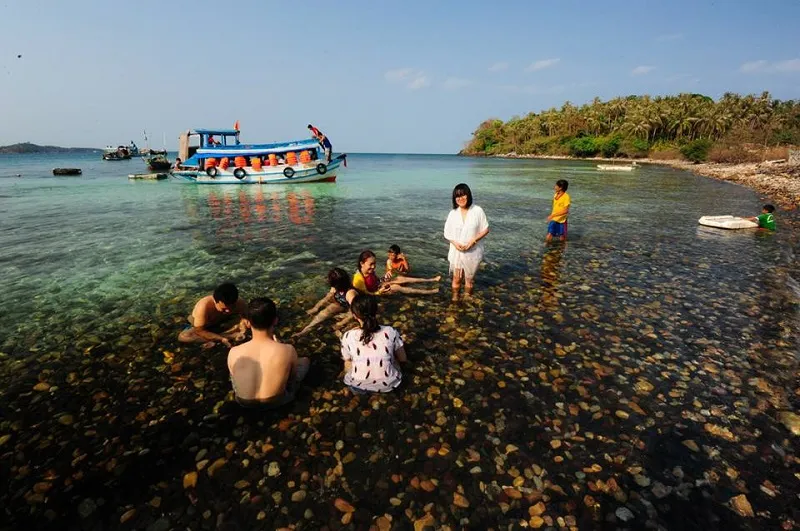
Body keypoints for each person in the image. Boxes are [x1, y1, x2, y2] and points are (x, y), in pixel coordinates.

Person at [227, 297, 310, 408]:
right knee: (304, 361)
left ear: (247, 323)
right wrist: (280, 347)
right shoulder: (288, 350)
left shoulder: (234, 351)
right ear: (275, 320)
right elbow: (292, 378)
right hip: (277, 401)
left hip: (243, 402)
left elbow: (233, 376)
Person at [340, 294, 406, 393]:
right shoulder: (390, 331)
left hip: (357, 385)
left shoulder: (348, 336)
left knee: (347, 361)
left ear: (354, 316)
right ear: (376, 311)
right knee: (395, 355)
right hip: (390, 384)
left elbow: (347, 359)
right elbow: (403, 359)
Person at [443, 183, 490, 301]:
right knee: (456, 278)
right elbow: (447, 233)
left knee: (469, 279)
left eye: (463, 195)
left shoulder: (477, 210)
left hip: (473, 251)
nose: (460, 198)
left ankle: (467, 298)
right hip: (457, 251)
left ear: (468, 195)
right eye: (457, 196)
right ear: (454, 199)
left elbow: (485, 229)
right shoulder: (453, 213)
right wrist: (455, 243)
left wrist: (473, 241)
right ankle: (455, 298)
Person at [178, 282, 248, 348]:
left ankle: (222, 336)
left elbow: (246, 317)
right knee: (184, 337)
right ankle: (228, 336)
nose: (228, 311)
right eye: (224, 309)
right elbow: (199, 330)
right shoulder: (204, 306)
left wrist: (243, 328)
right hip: (203, 326)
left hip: (223, 322)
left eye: (232, 307)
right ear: (215, 301)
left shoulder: (239, 302)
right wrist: (224, 338)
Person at [293, 268, 359, 338]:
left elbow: (355, 311)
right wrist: (315, 308)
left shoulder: (350, 293)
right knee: (323, 313)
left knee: (341, 321)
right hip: (340, 304)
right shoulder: (335, 288)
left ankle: (339, 323)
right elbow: (326, 298)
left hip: (350, 308)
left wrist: (341, 323)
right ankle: (305, 330)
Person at [353, 250, 439, 296]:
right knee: (396, 287)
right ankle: (428, 292)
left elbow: (375, 280)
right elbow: (366, 295)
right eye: (371, 264)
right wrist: (380, 292)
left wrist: (385, 278)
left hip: (378, 285)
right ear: (362, 263)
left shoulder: (369, 271)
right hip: (375, 293)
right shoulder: (358, 278)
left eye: (374, 263)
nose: (373, 266)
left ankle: (431, 279)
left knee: (401, 278)